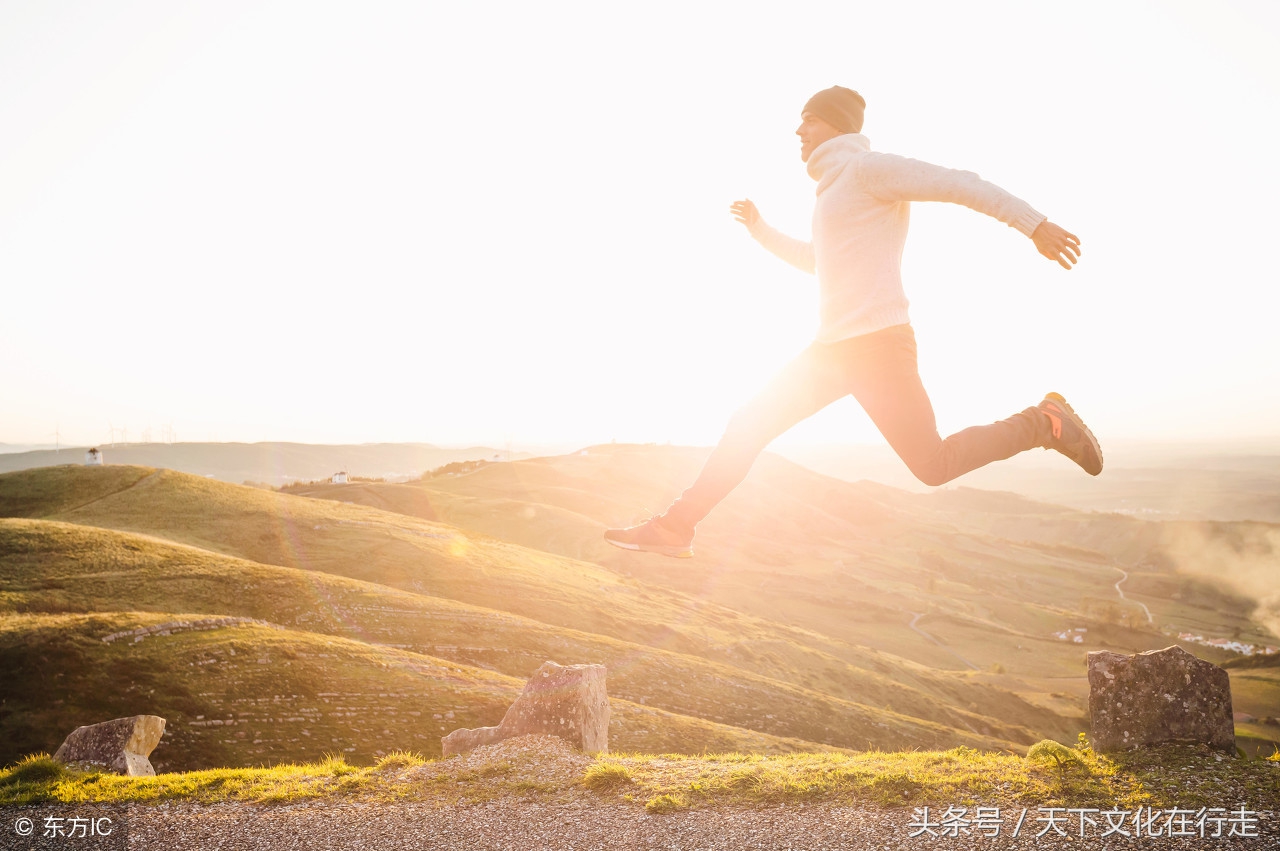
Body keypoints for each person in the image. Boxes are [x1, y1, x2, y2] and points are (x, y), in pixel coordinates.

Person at [605, 86, 1101, 559]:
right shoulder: (830, 191)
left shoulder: (868, 170)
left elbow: (959, 183)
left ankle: (1045, 422)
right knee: (747, 424)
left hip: (878, 348)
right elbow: (820, 261)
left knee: (933, 465)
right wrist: (760, 231)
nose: (798, 130)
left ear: (835, 126)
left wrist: (1033, 224)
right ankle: (674, 528)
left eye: (809, 120)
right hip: (831, 351)